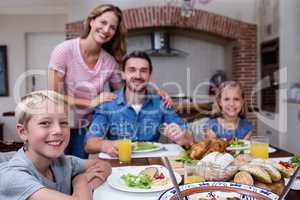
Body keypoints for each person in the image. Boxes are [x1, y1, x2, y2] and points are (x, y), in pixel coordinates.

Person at [48, 4, 172, 158]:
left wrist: (154, 95)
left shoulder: (109, 62)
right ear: (91, 21)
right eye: (103, 22)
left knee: (77, 172)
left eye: (112, 27)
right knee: (54, 172)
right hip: (58, 124)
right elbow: (52, 96)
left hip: (85, 125)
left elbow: (124, 92)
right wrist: (91, 103)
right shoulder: (64, 51)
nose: (106, 30)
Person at [0, 90, 111, 200]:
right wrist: (80, 180)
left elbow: (103, 165)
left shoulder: (62, 162)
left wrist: (84, 189)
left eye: (63, 123)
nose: (58, 130)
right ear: (23, 132)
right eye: (45, 123)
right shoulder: (13, 177)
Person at [84, 51, 193, 157]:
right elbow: (89, 144)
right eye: (132, 70)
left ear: (150, 75)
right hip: (120, 163)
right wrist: (106, 145)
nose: (138, 75)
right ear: (123, 74)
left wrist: (182, 135)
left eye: (143, 71)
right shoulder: (107, 104)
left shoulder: (161, 102)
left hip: (153, 164)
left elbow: (189, 138)